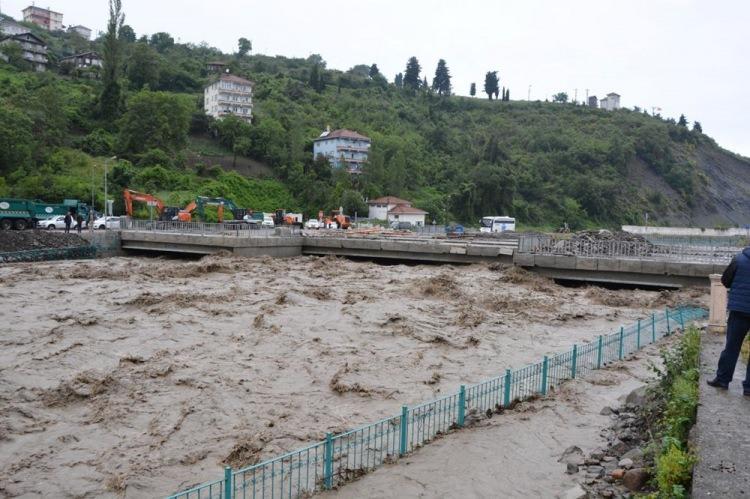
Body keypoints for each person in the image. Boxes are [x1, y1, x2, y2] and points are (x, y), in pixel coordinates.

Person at [707, 246, 750, 396]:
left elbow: (725, 280)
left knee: (732, 346)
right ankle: (749, 388)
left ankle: (723, 380)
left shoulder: (739, 259)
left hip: (739, 311)